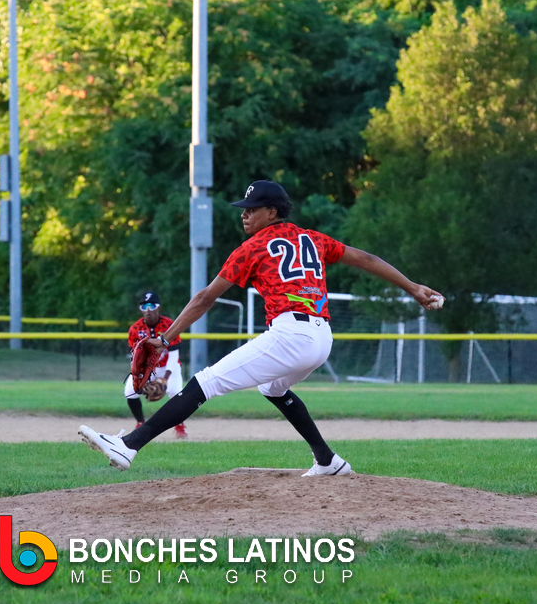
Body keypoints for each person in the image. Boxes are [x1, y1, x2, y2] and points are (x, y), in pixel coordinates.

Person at [79, 180, 442, 475]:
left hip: (290, 335)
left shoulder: (253, 247)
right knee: (272, 388)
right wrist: (413, 288)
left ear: (272, 212)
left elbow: (205, 298)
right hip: (321, 338)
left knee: (206, 382)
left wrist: (165, 338)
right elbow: (366, 258)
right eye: (244, 209)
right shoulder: (313, 238)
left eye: (252, 209)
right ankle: (327, 460)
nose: (245, 214)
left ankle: (129, 446)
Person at [124, 292, 187, 439]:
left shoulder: (169, 325)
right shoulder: (135, 329)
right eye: (144, 306)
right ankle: (140, 423)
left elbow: (173, 355)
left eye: (152, 306)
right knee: (130, 391)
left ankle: (179, 425)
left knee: (175, 392)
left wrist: (165, 378)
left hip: (168, 366)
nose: (148, 310)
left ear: (158, 308)